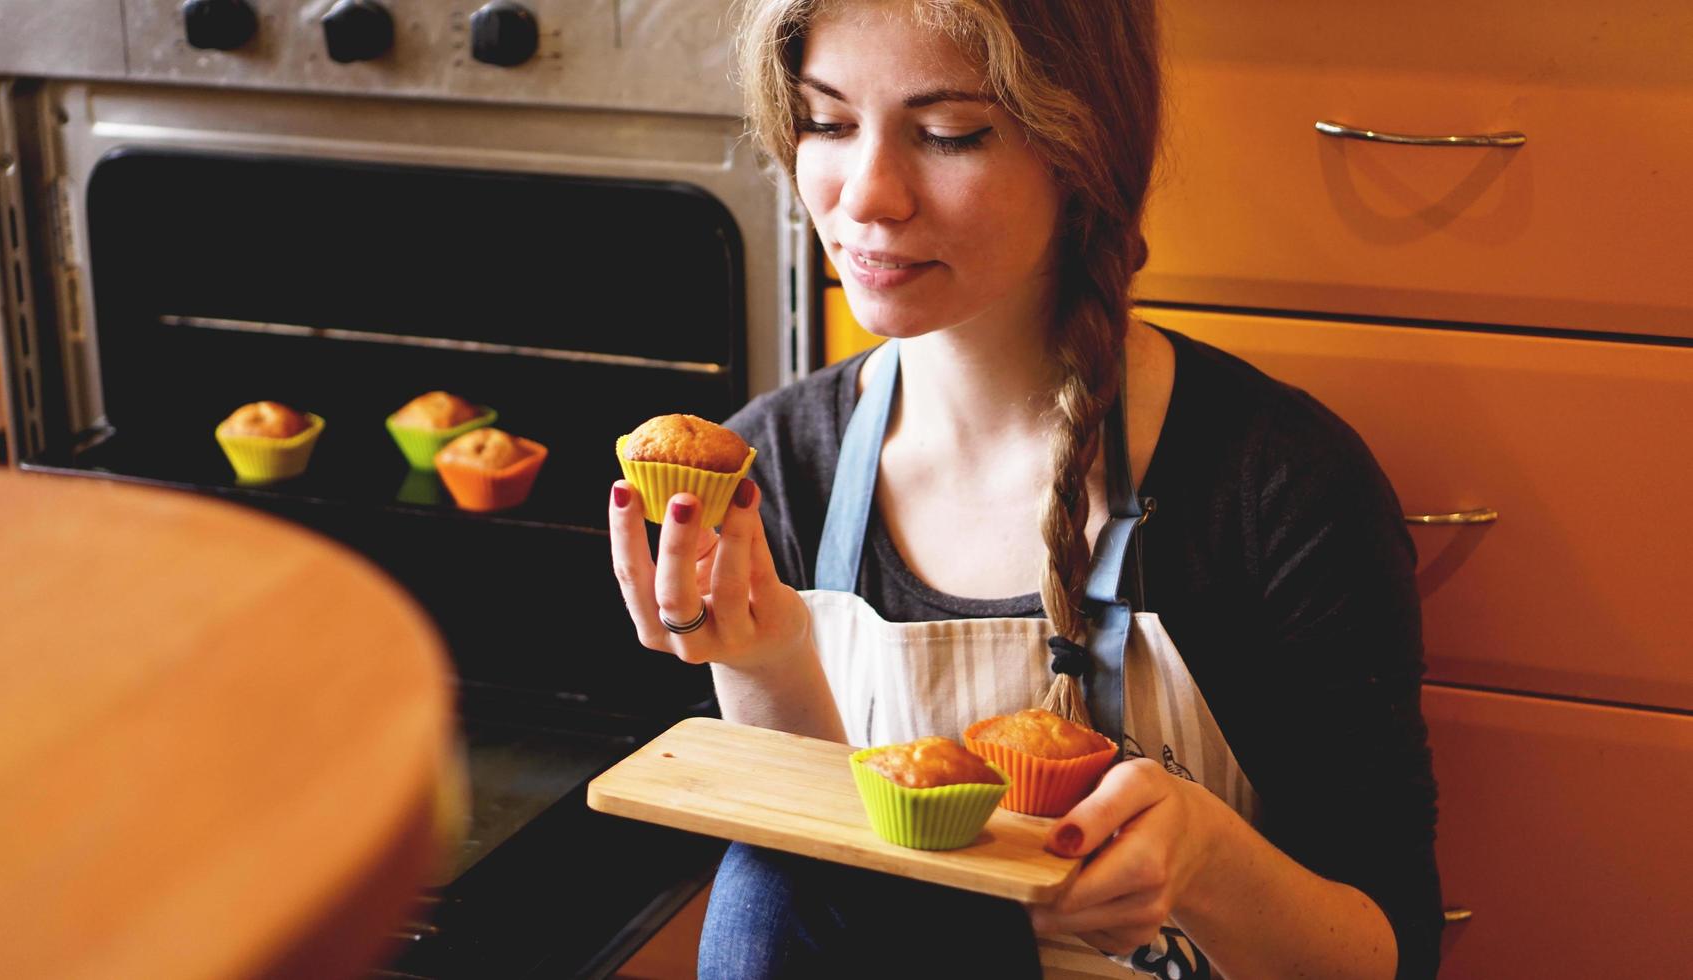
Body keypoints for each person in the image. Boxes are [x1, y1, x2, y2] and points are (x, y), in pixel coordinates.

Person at [607, 0, 1442, 976]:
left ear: (1076, 147)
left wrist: (1206, 857)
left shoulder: (1278, 486)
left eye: (948, 133)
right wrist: (765, 660)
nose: (866, 194)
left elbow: (1393, 955)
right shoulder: (775, 468)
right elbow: (813, 909)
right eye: (827, 121)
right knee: (768, 876)